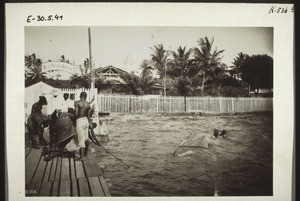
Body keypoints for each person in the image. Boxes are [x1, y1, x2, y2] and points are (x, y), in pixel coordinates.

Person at [75, 91, 93, 160]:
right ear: (86, 97)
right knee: (86, 137)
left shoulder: (77, 103)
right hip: (86, 120)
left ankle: (82, 157)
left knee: (81, 138)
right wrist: (89, 123)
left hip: (80, 120)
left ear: (80, 96)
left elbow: (76, 114)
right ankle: (85, 153)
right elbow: (89, 115)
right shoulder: (88, 104)